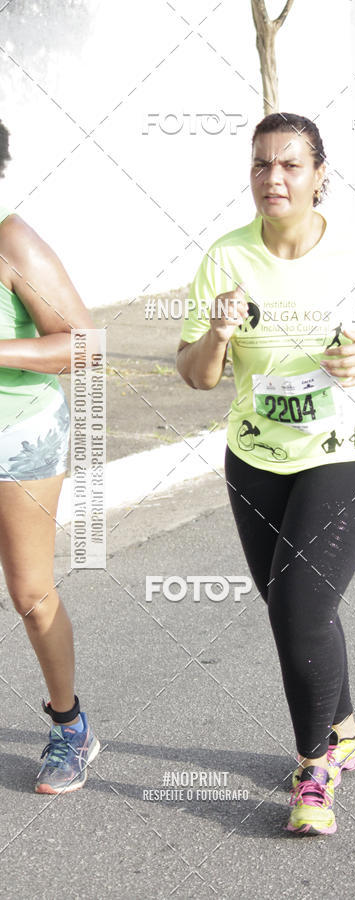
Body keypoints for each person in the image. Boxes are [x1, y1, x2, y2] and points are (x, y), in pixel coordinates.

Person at [176, 112, 355, 835]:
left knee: (299, 610)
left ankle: (314, 768)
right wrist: (219, 334)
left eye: (290, 165)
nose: (273, 178)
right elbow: (194, 374)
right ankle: (345, 728)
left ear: (321, 175)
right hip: (255, 457)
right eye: (261, 164)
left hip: (345, 450)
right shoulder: (225, 257)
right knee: (294, 608)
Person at [0, 120, 99, 793]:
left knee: (31, 595)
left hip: (19, 436)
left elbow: (84, 343)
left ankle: (71, 726)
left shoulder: (12, 242)